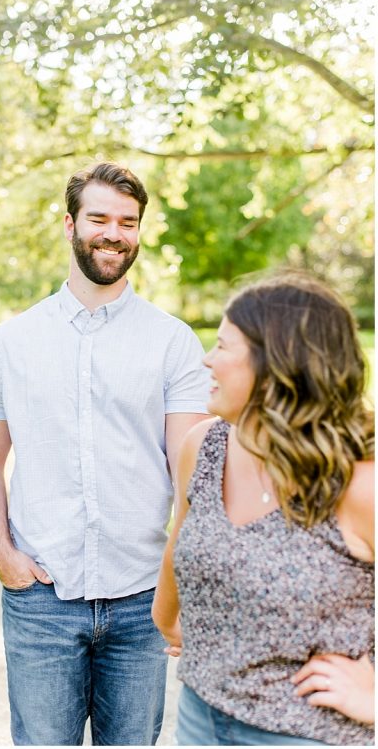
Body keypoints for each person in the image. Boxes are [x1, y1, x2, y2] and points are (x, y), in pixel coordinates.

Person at [0, 161, 211, 745]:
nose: (114, 233)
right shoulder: (13, 342)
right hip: (42, 599)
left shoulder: (173, 341)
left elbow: (192, 469)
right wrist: (2, 555)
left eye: (128, 222)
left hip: (141, 600)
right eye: (99, 218)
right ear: (70, 225)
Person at [152, 273, 374, 746]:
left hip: (306, 735)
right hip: (198, 721)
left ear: (277, 365)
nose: (207, 360)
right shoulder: (204, 447)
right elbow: (174, 574)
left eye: (223, 346)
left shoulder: (359, 486)